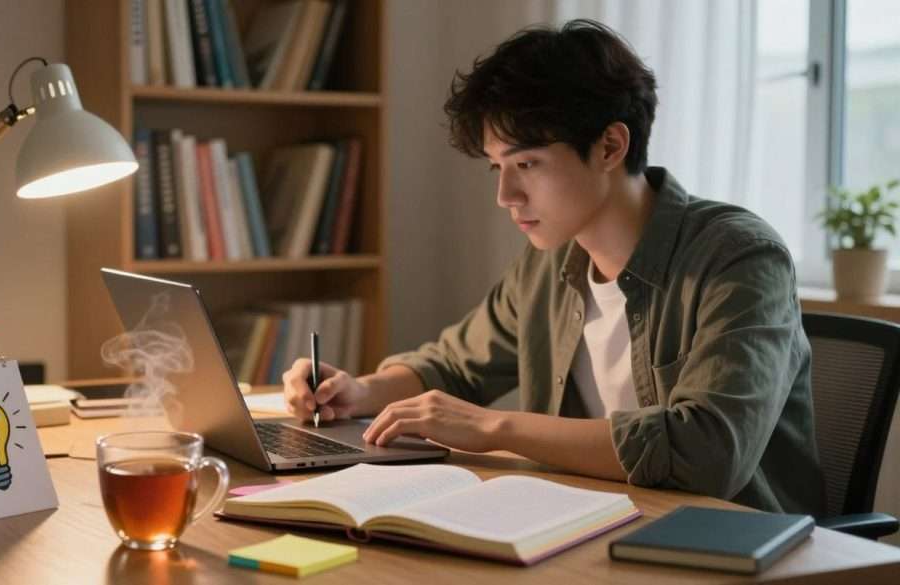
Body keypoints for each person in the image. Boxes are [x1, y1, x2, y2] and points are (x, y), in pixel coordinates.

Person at [281, 19, 824, 515]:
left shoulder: (740, 259)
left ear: (610, 145)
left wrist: (496, 427)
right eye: (497, 167)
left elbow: (706, 451)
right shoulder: (550, 265)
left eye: (527, 164)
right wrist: (359, 391)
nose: (505, 194)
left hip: (735, 548)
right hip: (592, 527)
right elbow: (453, 366)